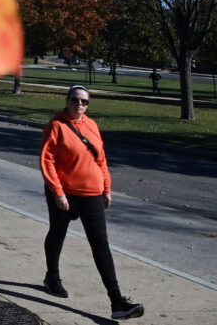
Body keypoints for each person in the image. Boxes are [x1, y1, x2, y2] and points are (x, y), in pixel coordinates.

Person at [40, 85, 145, 320]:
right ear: (67, 100)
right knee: (57, 233)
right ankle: (52, 277)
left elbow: (101, 159)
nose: (80, 105)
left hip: (92, 194)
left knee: (100, 244)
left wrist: (106, 188)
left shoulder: (91, 124)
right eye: (75, 100)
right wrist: (58, 193)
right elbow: (47, 161)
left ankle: (117, 302)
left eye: (84, 101)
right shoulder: (56, 125)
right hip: (65, 194)